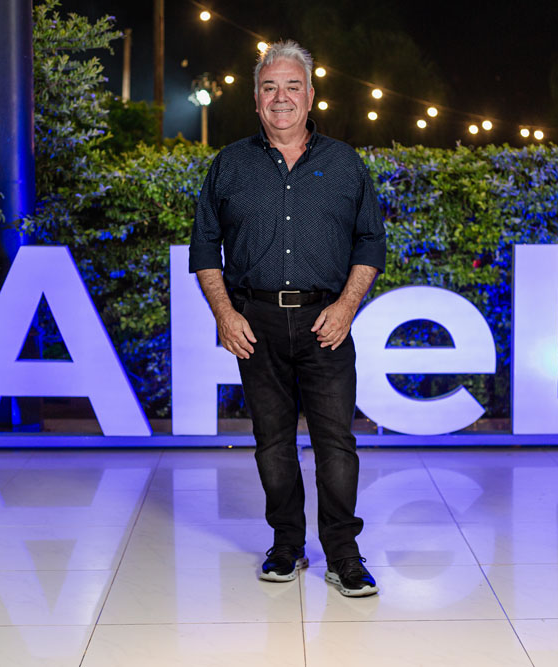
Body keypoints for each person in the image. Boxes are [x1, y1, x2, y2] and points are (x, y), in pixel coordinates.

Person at [189, 40, 386, 597]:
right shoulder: (229, 164)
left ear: (311, 96)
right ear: (256, 99)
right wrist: (225, 313)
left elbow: (371, 241)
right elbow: (204, 246)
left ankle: (343, 555)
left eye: (292, 86)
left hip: (328, 323)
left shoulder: (345, 163)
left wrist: (346, 307)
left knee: (336, 445)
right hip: (256, 324)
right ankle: (287, 545)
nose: (281, 97)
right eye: (270, 87)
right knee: (272, 444)